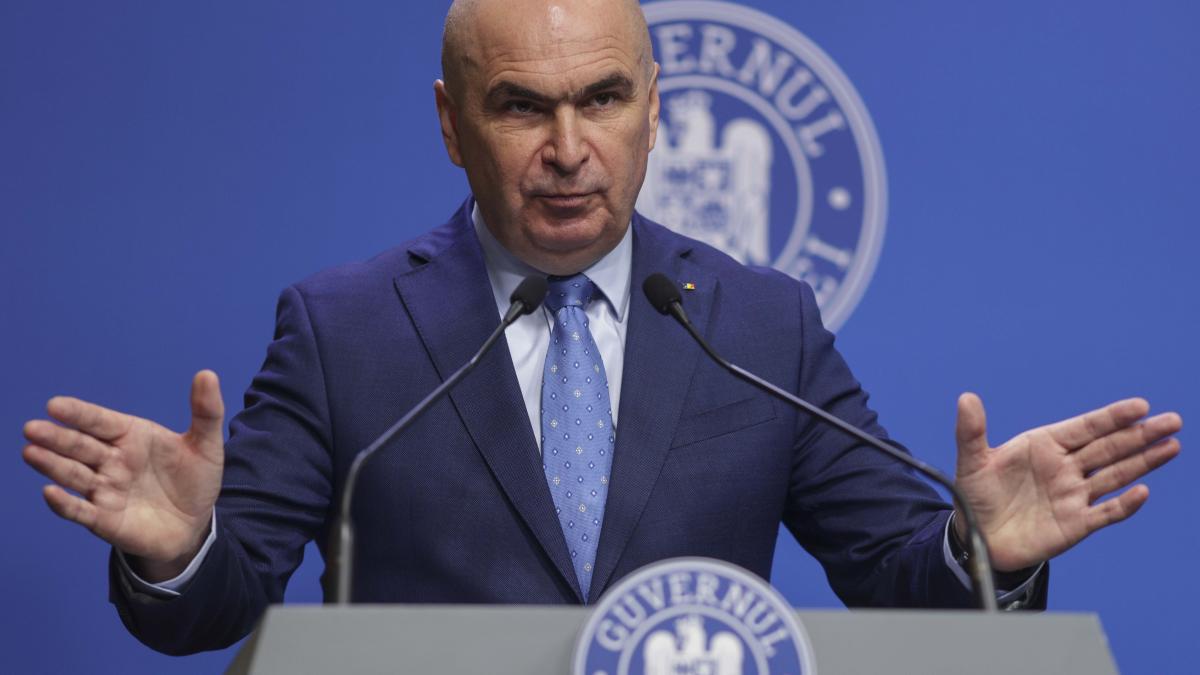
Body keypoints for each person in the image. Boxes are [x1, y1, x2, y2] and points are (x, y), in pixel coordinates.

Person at [21, 0, 1181, 656]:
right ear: (452, 124)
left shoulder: (760, 324)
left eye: (603, 100)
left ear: (653, 111)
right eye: (522, 107)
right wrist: (178, 551)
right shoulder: (344, 330)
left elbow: (895, 576)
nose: (569, 150)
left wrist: (986, 552)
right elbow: (221, 608)